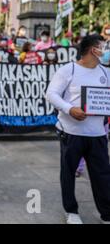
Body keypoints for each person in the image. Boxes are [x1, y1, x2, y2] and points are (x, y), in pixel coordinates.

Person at [46, 34, 110, 224]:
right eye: (104, 46)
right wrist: (69, 109)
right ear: (94, 50)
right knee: (68, 172)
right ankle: (71, 211)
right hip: (71, 133)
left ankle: (107, 213)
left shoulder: (106, 73)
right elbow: (51, 94)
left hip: (98, 133)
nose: (106, 50)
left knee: (103, 175)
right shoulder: (69, 70)